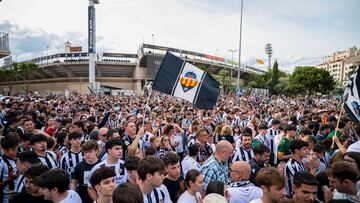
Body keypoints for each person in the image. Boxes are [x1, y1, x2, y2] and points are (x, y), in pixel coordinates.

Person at [0, 133, 20, 203]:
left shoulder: (22, 159)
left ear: (18, 146)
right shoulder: (1, 162)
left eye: (13, 149)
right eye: (7, 150)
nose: (10, 152)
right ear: (2, 148)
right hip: (5, 198)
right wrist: (9, 180)